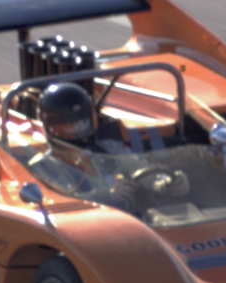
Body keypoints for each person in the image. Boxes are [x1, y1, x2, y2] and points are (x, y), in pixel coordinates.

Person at [32, 82, 189, 213]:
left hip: (133, 222)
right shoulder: (44, 165)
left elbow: (139, 166)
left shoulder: (109, 148)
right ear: (53, 126)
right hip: (87, 227)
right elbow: (62, 202)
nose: (80, 128)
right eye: (72, 124)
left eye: (83, 121)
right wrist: (107, 195)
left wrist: (163, 182)